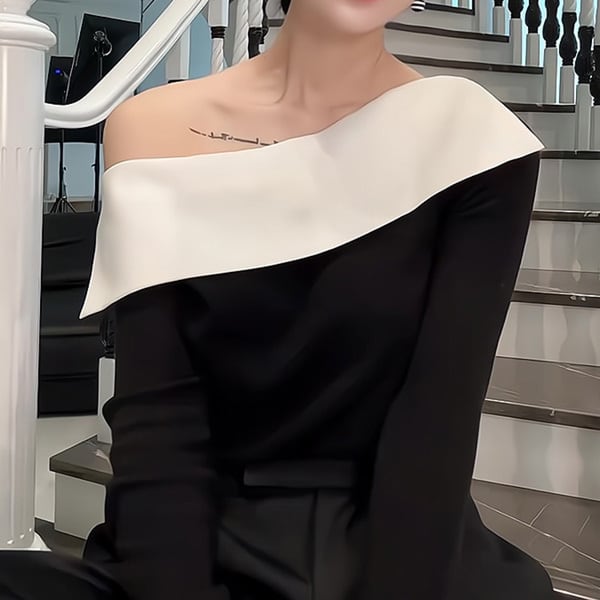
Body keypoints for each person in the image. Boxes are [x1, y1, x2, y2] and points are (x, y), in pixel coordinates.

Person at [0, 0, 553, 599]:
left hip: (393, 544)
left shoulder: (470, 139)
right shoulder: (150, 127)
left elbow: (436, 423)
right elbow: (159, 422)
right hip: (199, 538)